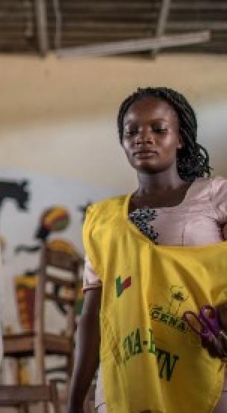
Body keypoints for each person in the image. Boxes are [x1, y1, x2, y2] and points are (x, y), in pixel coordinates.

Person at [67, 87, 227, 413]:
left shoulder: (215, 195)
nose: (143, 138)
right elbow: (93, 316)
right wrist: (74, 400)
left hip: (202, 365)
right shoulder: (102, 220)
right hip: (126, 381)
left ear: (180, 138)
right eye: (132, 131)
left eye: (158, 128)